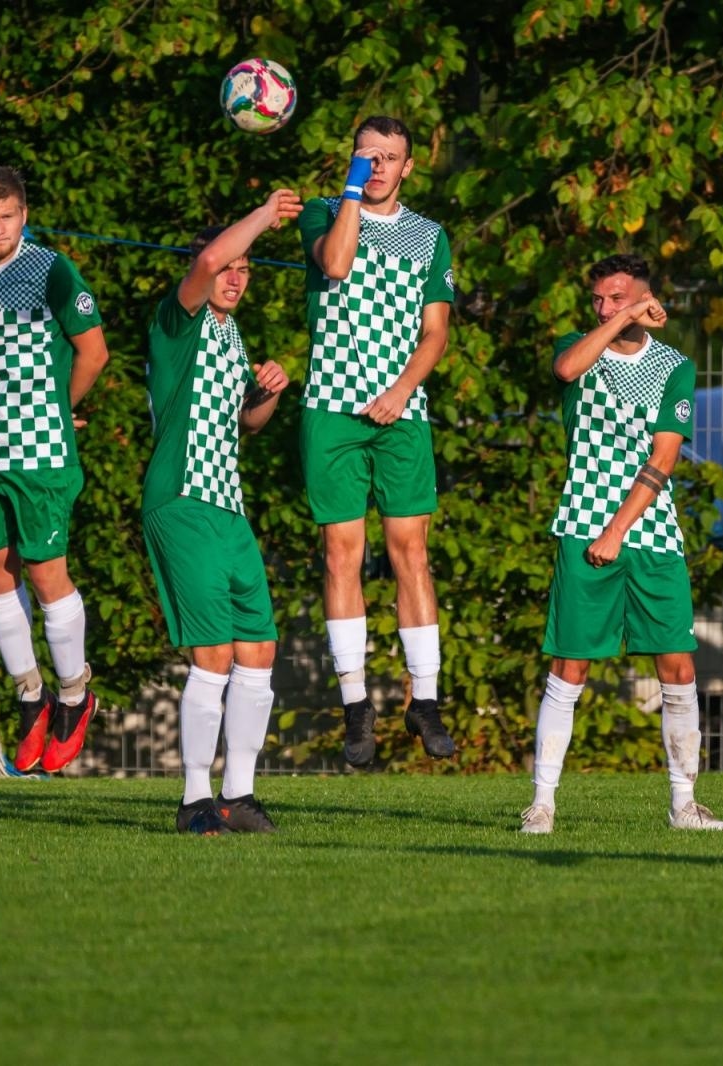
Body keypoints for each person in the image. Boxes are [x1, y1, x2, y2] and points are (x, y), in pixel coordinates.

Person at [521, 254, 723, 835]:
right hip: (581, 522)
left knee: (678, 665)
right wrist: (619, 321)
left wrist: (618, 530)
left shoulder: (674, 366)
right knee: (571, 665)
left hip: (650, 530)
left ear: (647, 296)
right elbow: (567, 370)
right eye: (599, 299)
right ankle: (542, 803)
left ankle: (684, 804)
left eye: (619, 298)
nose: (604, 307)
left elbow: (664, 456)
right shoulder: (579, 346)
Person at [0, 165, 107, 774]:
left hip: (41, 453)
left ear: (24, 215)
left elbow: (93, 350)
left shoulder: (50, 269)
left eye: (8, 216)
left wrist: (61, 411)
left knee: (44, 570)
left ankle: (73, 695)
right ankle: (30, 697)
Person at [299, 115, 457, 767]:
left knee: (409, 552)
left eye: (390, 158)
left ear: (409, 167)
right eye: (369, 156)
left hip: (402, 412)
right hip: (331, 408)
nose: (381, 166)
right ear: (355, 161)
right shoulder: (324, 214)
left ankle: (425, 700)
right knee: (342, 552)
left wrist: (399, 390)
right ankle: (356, 703)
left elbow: (436, 334)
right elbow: (335, 264)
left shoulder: (429, 236)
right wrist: (352, 195)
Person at [143, 190, 302, 835]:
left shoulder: (233, 335)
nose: (236, 277)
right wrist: (266, 215)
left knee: (258, 650)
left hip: (228, 506)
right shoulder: (176, 321)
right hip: (182, 501)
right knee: (211, 655)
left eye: (245, 272)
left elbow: (246, 426)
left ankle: (239, 796)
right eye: (230, 269)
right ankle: (193, 801)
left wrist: (266, 394)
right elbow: (209, 257)